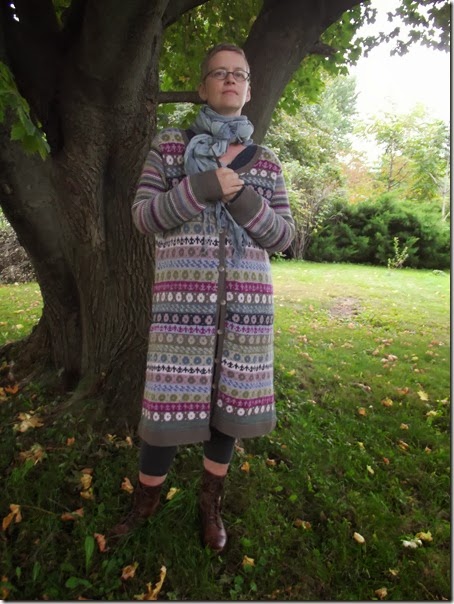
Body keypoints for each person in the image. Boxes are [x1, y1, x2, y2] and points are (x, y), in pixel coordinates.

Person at [110, 43, 295, 552]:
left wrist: (241, 196)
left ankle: (210, 504)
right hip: (181, 312)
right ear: (203, 87)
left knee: (226, 409)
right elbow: (143, 215)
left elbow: (284, 237)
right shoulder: (171, 147)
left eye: (239, 74)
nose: (230, 80)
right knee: (165, 408)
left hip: (246, 313)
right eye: (219, 73)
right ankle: (145, 502)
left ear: (249, 89)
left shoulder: (267, 163)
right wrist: (202, 187)